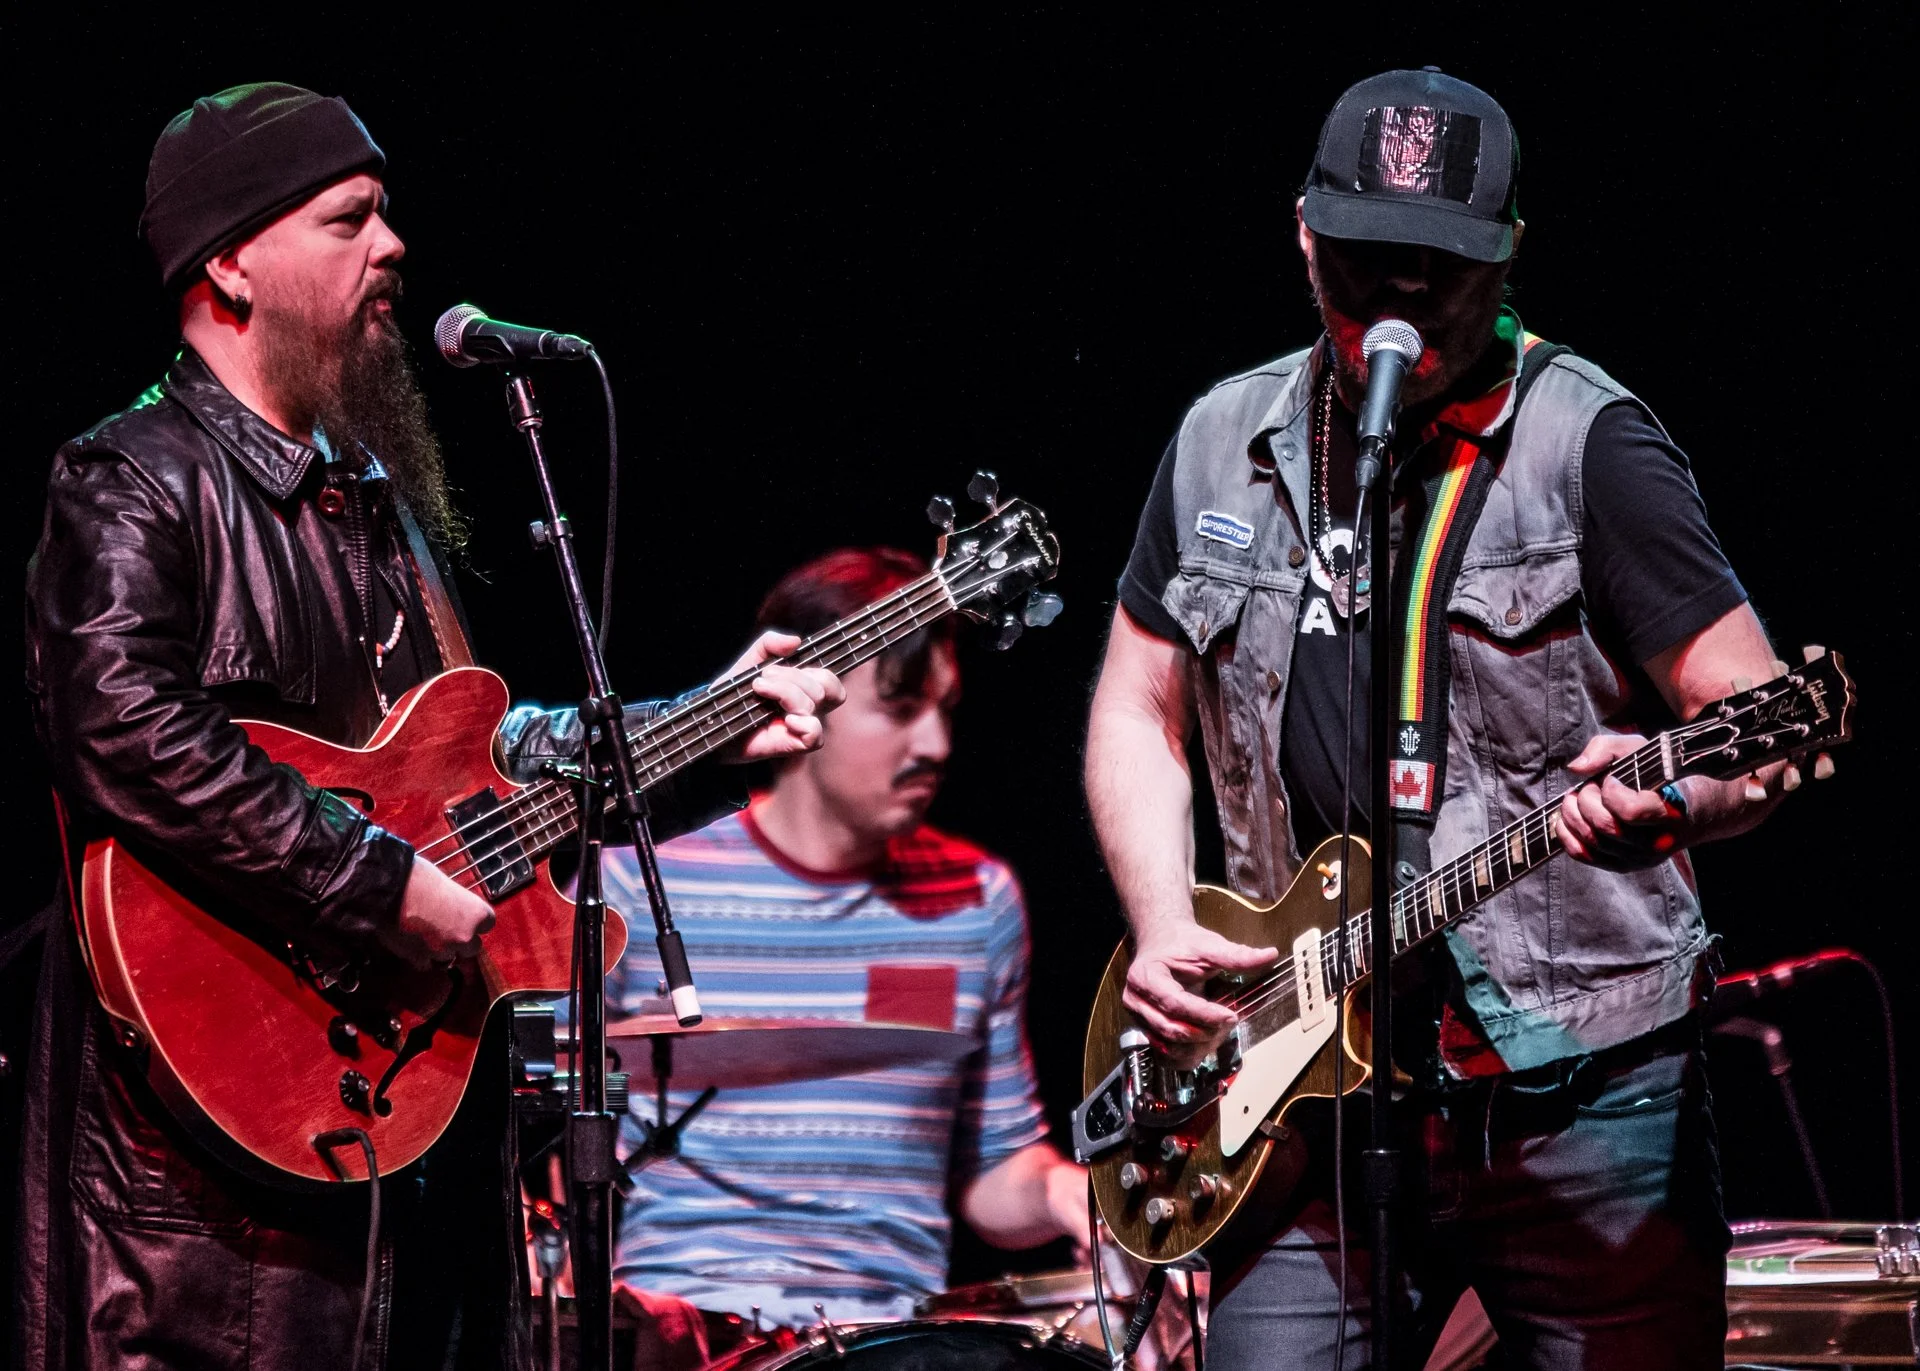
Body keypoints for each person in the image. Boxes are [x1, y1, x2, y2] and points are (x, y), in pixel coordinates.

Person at [17, 82, 841, 1370]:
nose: (392, 245)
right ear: (230, 263)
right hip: (204, 1220)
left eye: (385, 212)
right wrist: (378, 885)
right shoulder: (136, 478)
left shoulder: (371, 496)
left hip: (408, 1171)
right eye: (348, 219)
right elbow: (120, 723)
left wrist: (708, 729)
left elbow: (483, 767)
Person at [1084, 68, 1788, 1370]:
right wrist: (1163, 919)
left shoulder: (1593, 445)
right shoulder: (1220, 439)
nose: (1402, 298)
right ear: (1305, 234)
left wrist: (1677, 796)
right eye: (1368, 263)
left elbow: (1758, 723)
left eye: (1443, 267)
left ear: (1511, 249)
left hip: (1578, 1086)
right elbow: (1136, 703)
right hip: (1296, 1081)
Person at [596, 547, 1088, 1358]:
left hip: (890, 1344)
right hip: (681, 1339)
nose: (934, 743)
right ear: (803, 698)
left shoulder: (978, 899)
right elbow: (542, 1140)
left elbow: (994, 1170)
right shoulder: (637, 882)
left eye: (945, 709)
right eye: (900, 708)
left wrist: (1073, 1191)